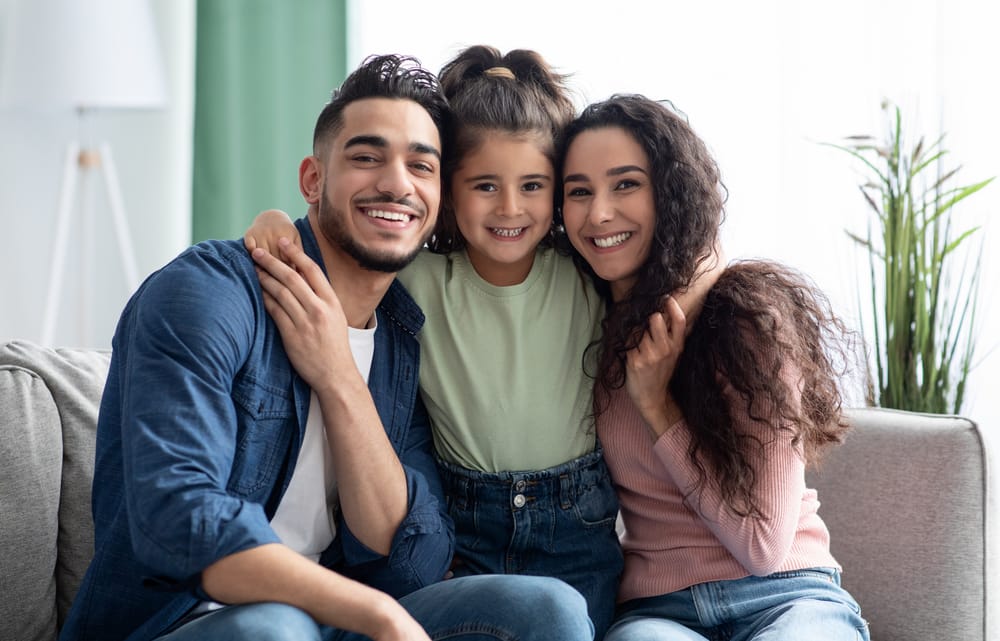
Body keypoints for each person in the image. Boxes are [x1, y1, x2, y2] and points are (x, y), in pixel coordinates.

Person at [59, 54, 594, 641]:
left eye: (422, 165)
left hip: (329, 623)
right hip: (186, 623)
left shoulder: (401, 335)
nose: (396, 182)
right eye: (367, 158)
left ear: (439, 197)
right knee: (276, 629)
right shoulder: (210, 293)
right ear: (313, 180)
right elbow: (180, 519)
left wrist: (339, 376)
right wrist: (377, 613)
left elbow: (411, 554)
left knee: (549, 611)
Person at [245, 45, 623, 639]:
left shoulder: (584, 275)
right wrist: (270, 221)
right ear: (447, 190)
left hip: (576, 536)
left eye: (532, 185)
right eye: (484, 186)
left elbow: (667, 259)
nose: (509, 207)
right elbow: (327, 245)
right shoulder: (415, 279)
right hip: (461, 534)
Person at [556, 94, 871, 640]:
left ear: (672, 194)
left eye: (626, 184)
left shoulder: (749, 321)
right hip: (659, 612)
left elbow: (763, 547)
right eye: (579, 192)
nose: (599, 213)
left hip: (789, 596)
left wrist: (656, 405)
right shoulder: (584, 321)